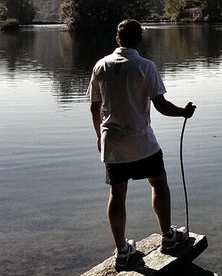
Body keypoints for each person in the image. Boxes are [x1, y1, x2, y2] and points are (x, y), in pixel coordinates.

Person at [88, 19, 197, 270]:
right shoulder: (145, 66)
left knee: (117, 193)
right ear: (140, 40)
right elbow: (161, 106)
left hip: (112, 142)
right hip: (142, 141)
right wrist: (184, 112)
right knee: (159, 183)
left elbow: (94, 107)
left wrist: (98, 136)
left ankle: (122, 251)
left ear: (117, 39)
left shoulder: (100, 66)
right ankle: (168, 236)